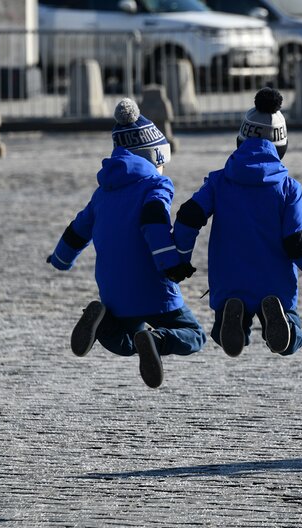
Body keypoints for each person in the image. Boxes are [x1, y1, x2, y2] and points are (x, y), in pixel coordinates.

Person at [47, 98, 207, 389]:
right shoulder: (157, 186)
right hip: (155, 290)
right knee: (194, 335)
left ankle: (102, 323)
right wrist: (171, 266)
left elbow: (78, 230)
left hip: (114, 293)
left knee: (119, 338)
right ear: (152, 156)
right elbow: (154, 222)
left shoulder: (102, 194)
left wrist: (60, 259)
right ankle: (156, 339)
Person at [172, 87, 302, 357]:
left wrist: (179, 258)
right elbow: (297, 241)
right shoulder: (289, 188)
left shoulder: (219, 181)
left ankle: (230, 314)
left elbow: (189, 216)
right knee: (291, 330)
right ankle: (282, 326)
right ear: (281, 146)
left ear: (241, 138)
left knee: (223, 326)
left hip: (229, 276)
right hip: (275, 279)